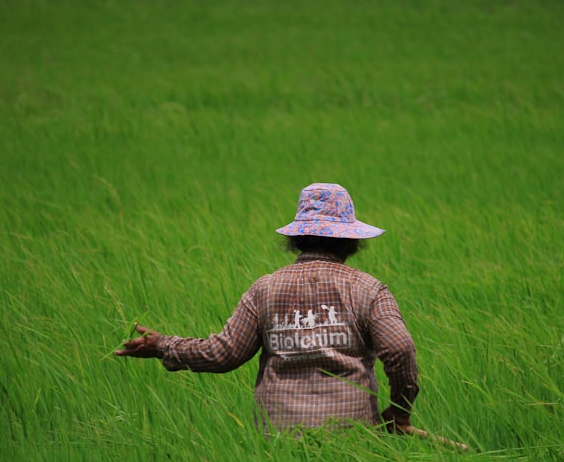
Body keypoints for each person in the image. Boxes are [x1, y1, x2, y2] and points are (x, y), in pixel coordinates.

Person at [115, 183, 419, 433]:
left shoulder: (265, 289)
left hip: (278, 438)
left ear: (297, 238)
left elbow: (223, 354)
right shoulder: (369, 289)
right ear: (351, 241)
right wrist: (400, 410)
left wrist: (162, 345)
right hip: (353, 434)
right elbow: (400, 348)